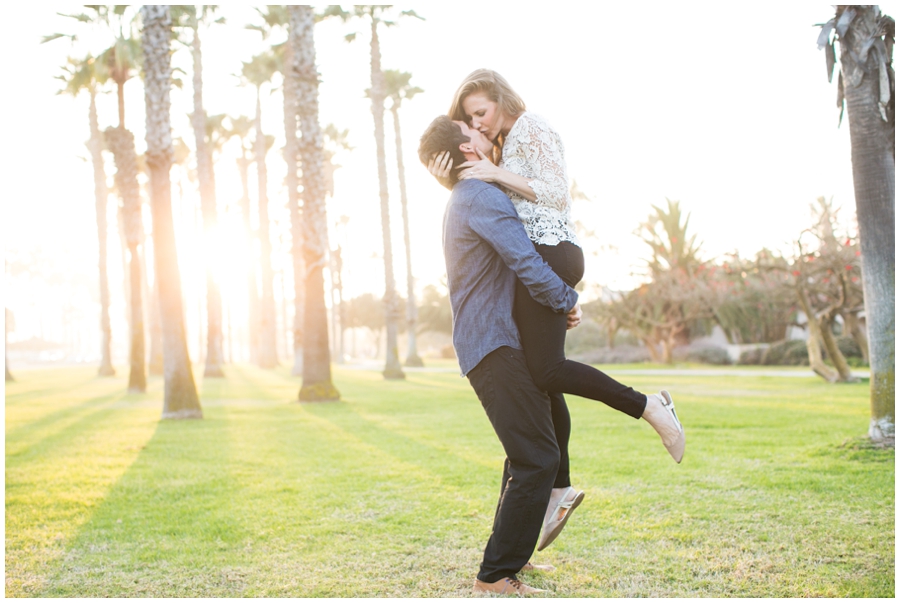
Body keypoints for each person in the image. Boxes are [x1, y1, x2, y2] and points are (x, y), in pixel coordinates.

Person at [429, 69, 685, 551]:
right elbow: (481, 208)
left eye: (480, 113)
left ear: (501, 98)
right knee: (541, 377)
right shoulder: (496, 153)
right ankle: (558, 487)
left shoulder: (531, 126)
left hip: (551, 251)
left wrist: (493, 172)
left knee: (546, 369)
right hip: (543, 259)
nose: (478, 126)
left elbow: (557, 193)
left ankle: (649, 408)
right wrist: (455, 169)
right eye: (470, 122)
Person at [418, 114, 581, 595]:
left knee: (524, 455)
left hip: (493, 342)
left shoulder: (469, 195)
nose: (485, 134)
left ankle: (513, 559)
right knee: (537, 457)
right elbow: (525, 260)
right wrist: (566, 300)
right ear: (468, 152)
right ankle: (494, 576)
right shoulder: (480, 196)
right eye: (474, 133)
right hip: (492, 345)